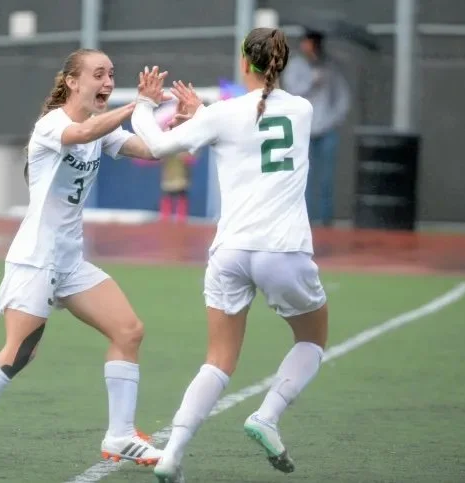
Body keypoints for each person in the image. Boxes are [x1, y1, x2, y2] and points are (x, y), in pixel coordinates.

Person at [0, 48, 165, 470]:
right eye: (99, 74)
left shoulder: (101, 128)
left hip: (70, 261)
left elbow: (151, 150)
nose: (108, 82)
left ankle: (121, 435)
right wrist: (139, 105)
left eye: (112, 74)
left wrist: (183, 122)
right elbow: (82, 133)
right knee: (20, 352)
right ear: (73, 81)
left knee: (128, 331)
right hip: (35, 259)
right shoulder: (53, 124)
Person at [131, 28, 329, 483]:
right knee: (312, 340)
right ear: (281, 64)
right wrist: (207, 116)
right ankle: (267, 416)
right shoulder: (302, 109)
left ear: (246, 62)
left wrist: (147, 104)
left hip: (231, 252)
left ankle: (171, 454)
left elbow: (159, 147)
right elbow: (255, 127)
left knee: (217, 360)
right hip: (284, 250)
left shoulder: (222, 114)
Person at [282, 29, 350, 226]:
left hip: (326, 129)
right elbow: (292, 91)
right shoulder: (296, 66)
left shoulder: (330, 67)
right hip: (304, 130)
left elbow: (342, 97)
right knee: (304, 176)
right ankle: (305, 219)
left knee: (326, 179)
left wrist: (335, 119)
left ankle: (325, 220)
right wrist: (312, 80)